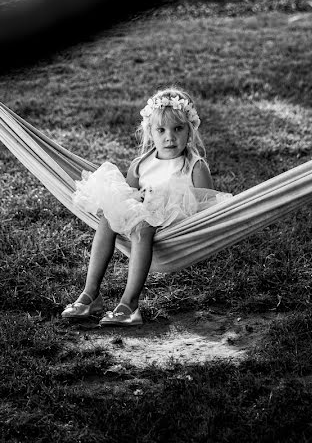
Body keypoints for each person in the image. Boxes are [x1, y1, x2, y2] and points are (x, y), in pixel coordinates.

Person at [61, 87, 229, 326]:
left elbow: (207, 205)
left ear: (190, 130)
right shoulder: (140, 165)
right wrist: (133, 202)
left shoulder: (195, 166)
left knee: (142, 226)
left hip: (175, 226)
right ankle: (90, 295)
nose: (169, 137)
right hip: (144, 217)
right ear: (149, 132)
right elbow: (128, 197)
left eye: (177, 129)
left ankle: (129, 305)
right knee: (109, 215)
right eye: (161, 130)